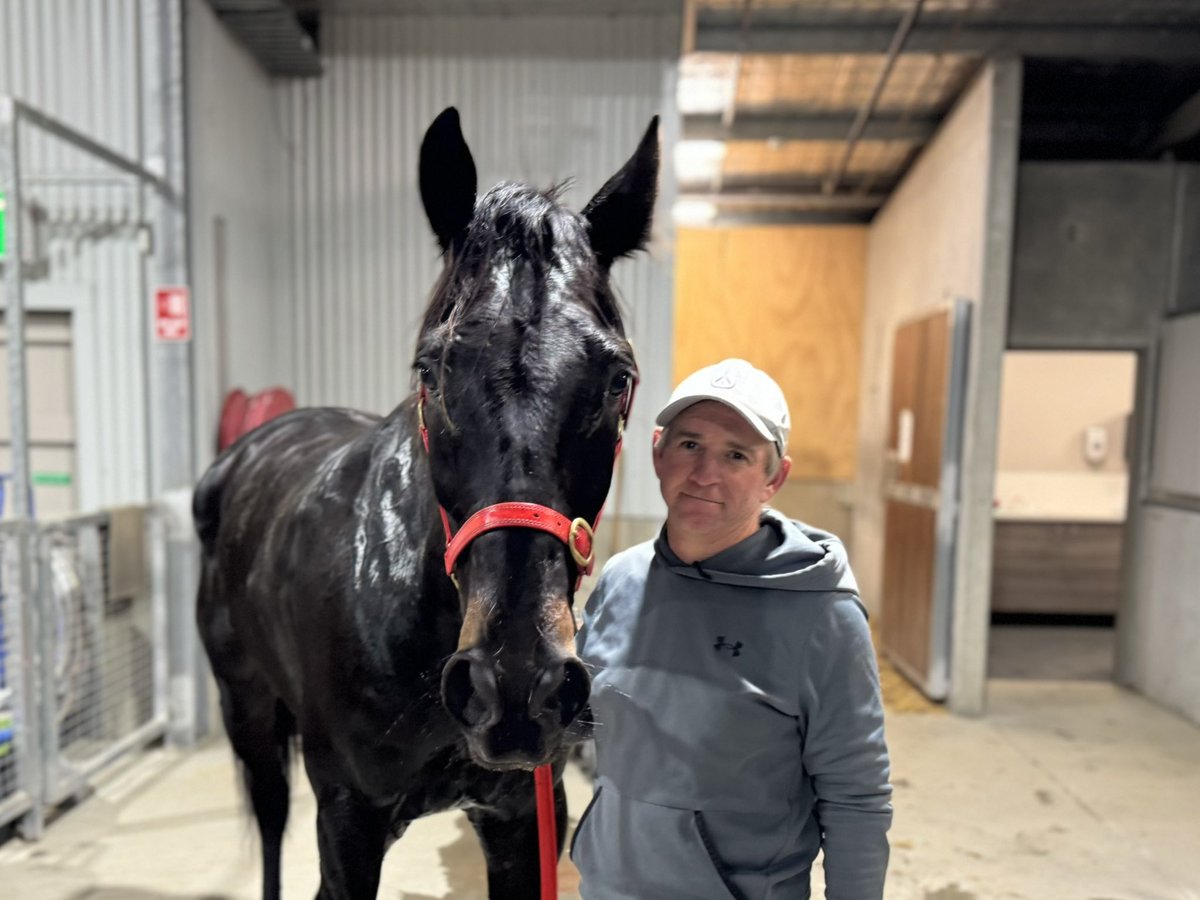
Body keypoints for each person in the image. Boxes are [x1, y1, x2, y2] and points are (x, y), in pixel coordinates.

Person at [571, 358, 892, 900]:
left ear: (774, 478)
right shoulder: (620, 579)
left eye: (736, 455)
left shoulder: (821, 614)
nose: (704, 474)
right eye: (690, 444)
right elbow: (581, 724)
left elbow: (856, 796)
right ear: (658, 451)